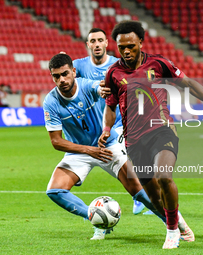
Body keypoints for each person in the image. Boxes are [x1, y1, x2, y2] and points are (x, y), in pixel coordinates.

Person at [98, 21, 203, 249]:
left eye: (131, 45)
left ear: (141, 42)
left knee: (163, 176)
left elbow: (188, 83)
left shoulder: (159, 64)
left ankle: (171, 231)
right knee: (153, 196)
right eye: (122, 47)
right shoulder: (113, 73)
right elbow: (110, 107)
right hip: (133, 140)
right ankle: (179, 223)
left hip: (162, 130)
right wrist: (106, 129)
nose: (126, 51)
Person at [44, 53, 176, 241]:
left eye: (65, 74)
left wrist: (103, 90)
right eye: (56, 76)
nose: (62, 80)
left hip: (107, 145)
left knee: (139, 190)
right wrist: (89, 150)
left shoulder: (86, 84)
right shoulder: (50, 101)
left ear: (74, 72)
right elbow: (56, 141)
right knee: (55, 191)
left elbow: (98, 88)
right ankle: (98, 218)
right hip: (81, 151)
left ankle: (173, 223)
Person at [73, 28, 147, 215]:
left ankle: (142, 197)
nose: (97, 44)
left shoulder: (118, 64)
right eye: (93, 41)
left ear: (106, 43)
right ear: (88, 45)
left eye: (100, 40)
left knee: (130, 158)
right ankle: (142, 195)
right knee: (122, 162)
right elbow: (65, 78)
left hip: (120, 122)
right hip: (95, 127)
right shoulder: (79, 66)